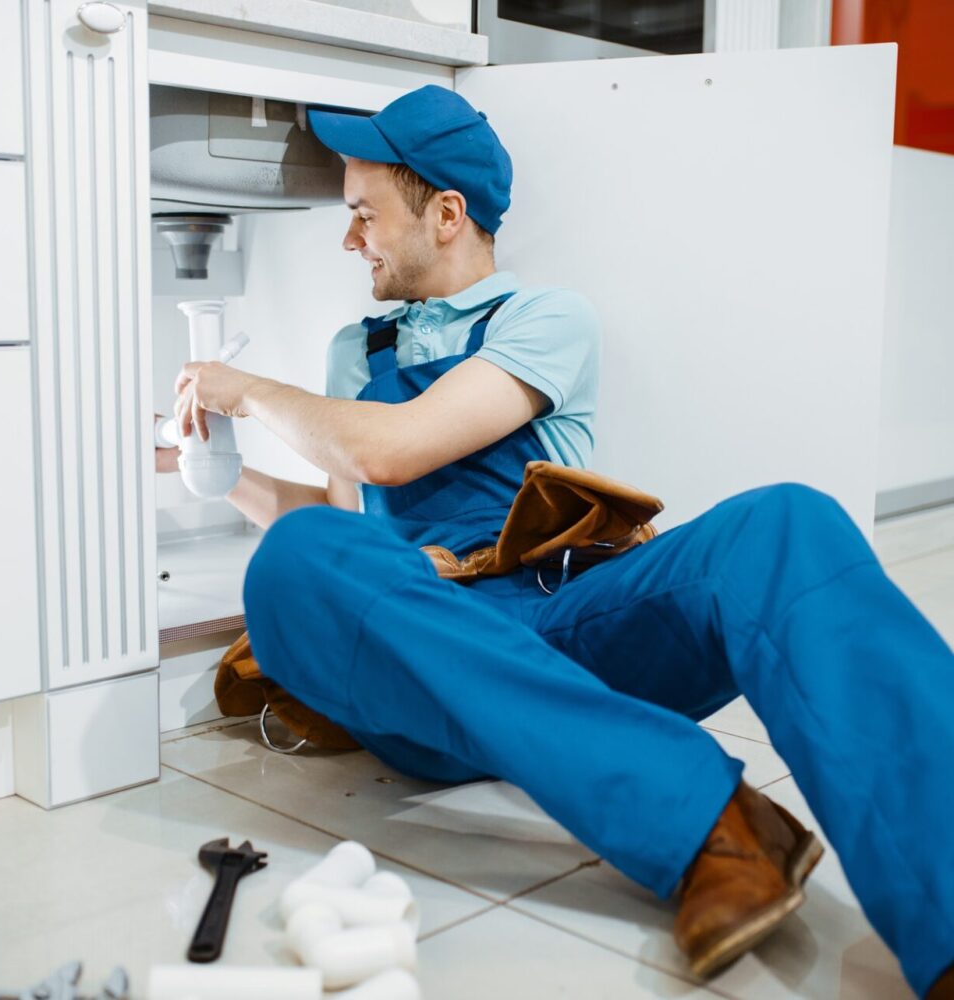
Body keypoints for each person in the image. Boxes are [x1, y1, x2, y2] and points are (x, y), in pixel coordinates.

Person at [160, 85, 954, 999]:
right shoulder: (355, 350)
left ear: (447, 215)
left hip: (569, 615)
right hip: (434, 657)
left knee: (788, 523)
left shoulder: (545, 320)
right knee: (297, 559)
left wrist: (248, 391)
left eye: (364, 215)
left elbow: (391, 451)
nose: (351, 240)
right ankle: (707, 824)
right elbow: (350, 523)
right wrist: (211, 472)